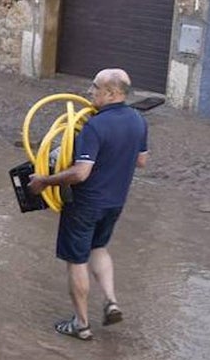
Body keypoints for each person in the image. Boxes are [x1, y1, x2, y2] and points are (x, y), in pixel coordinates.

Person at [30, 68, 148, 340]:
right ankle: (111, 302)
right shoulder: (138, 121)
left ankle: (81, 325)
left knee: (76, 260)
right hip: (115, 202)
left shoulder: (94, 126)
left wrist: (44, 181)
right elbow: (141, 160)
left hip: (85, 204)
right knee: (99, 247)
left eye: (95, 87)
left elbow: (81, 173)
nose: (90, 91)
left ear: (111, 93)